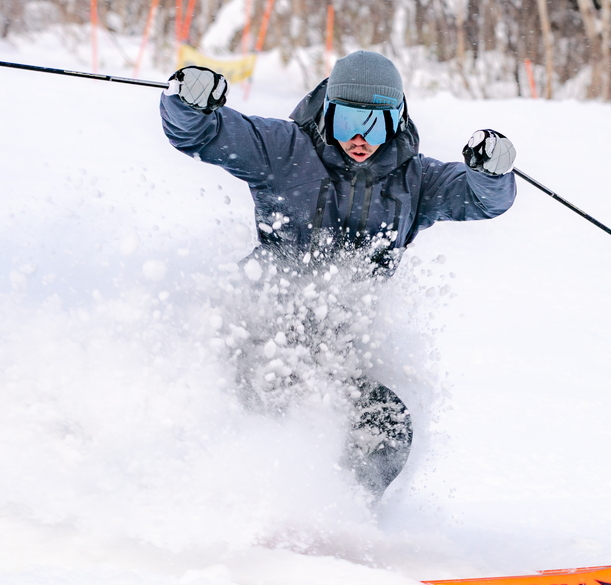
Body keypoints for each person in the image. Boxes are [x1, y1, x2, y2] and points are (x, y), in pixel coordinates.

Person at [159, 50, 517, 499]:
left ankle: (347, 523)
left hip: (335, 351)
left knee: (384, 422)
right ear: (327, 112)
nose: (361, 138)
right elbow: (202, 133)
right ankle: (234, 508)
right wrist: (188, 102)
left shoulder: (415, 180)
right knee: (272, 409)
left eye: (377, 123)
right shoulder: (283, 150)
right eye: (348, 121)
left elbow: (481, 199)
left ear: (398, 119)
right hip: (258, 336)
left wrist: (491, 173)